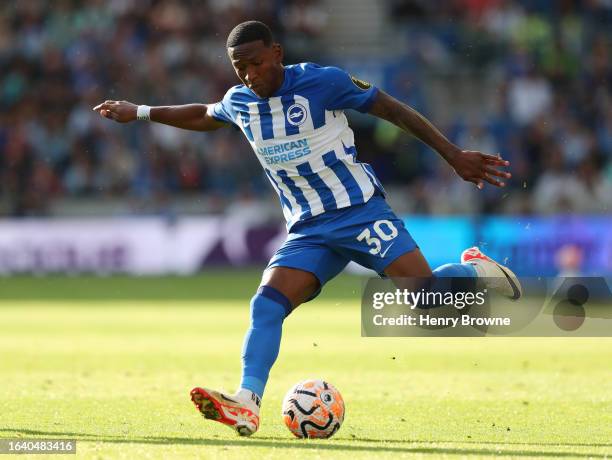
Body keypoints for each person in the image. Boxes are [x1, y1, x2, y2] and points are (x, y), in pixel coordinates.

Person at [93, 20, 521, 437]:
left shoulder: (323, 82)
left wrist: (451, 154)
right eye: (239, 67)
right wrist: (141, 112)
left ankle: (477, 271)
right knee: (267, 305)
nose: (249, 74)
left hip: (360, 212)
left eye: (257, 63)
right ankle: (246, 401)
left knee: (424, 300)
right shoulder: (241, 101)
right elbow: (206, 114)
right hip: (308, 230)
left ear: (277, 53)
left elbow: (391, 109)